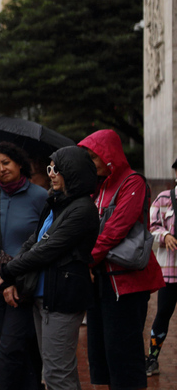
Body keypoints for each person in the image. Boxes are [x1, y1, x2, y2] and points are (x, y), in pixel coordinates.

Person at [0, 146, 99, 390]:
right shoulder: (56, 203)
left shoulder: (81, 209)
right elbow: (33, 240)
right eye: (49, 168)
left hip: (62, 296)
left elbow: (47, 249)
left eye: (56, 169)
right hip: (43, 295)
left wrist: (9, 270)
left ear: (72, 172)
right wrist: (12, 266)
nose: (51, 174)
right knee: (53, 370)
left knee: (57, 373)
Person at [78, 130, 164, 390]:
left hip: (126, 284)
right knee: (103, 354)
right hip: (100, 283)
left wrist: (87, 259)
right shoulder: (97, 185)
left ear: (110, 155)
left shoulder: (132, 182)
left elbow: (116, 229)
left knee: (124, 355)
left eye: (95, 157)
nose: (92, 163)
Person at [0, 141, 46, 390]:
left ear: (19, 163)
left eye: (6, 163)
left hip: (23, 284)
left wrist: (15, 272)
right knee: (21, 345)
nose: (2, 169)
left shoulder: (39, 197)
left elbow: (44, 239)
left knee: (9, 345)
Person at [146, 157, 177, 377]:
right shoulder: (164, 198)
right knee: (163, 312)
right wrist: (164, 235)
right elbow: (151, 226)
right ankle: (152, 358)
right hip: (170, 268)